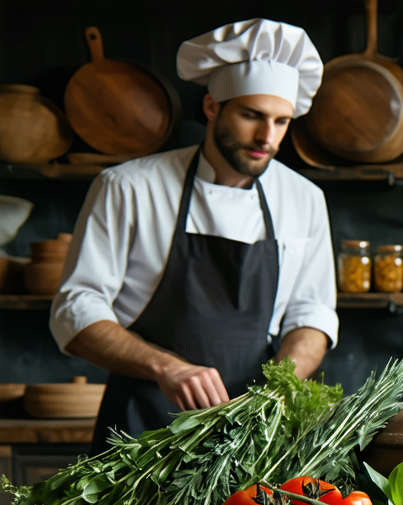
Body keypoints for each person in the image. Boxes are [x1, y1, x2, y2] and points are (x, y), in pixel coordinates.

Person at [50, 19, 338, 451]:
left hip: (252, 434)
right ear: (211, 108)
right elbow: (75, 309)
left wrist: (278, 390)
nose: (267, 138)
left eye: (281, 121)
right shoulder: (129, 187)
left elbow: (311, 315)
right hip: (140, 432)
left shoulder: (304, 198)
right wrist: (165, 367)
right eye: (251, 116)